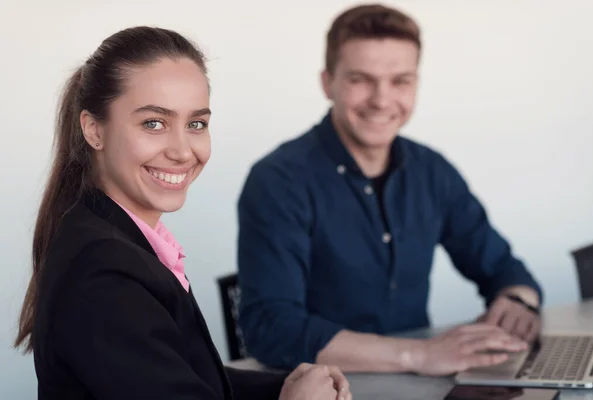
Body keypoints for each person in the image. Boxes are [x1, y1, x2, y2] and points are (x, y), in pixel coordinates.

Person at [14, 26, 352, 400]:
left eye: (196, 124)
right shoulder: (104, 271)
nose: (181, 150)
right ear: (94, 130)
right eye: (153, 123)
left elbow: (180, 376)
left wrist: (282, 385)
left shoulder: (112, 235)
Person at [237, 4, 544, 375]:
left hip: (421, 387)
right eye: (360, 79)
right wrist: (418, 356)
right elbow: (272, 328)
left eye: (400, 80)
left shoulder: (431, 170)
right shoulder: (278, 181)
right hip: (324, 388)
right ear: (327, 82)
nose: (382, 100)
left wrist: (517, 302)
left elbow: (504, 268)